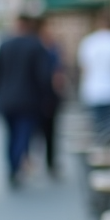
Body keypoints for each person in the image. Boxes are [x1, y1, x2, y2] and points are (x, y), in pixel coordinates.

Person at [0, 14, 52, 186]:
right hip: (29, 100)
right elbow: (43, 76)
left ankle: (11, 167)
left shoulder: (5, 45)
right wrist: (47, 97)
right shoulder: (35, 46)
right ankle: (15, 167)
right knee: (22, 134)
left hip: (7, 100)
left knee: (10, 135)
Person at [37, 18, 66, 177]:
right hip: (39, 97)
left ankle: (50, 161)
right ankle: (31, 161)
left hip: (48, 97)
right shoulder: (39, 49)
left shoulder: (53, 49)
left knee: (50, 131)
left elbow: (58, 73)